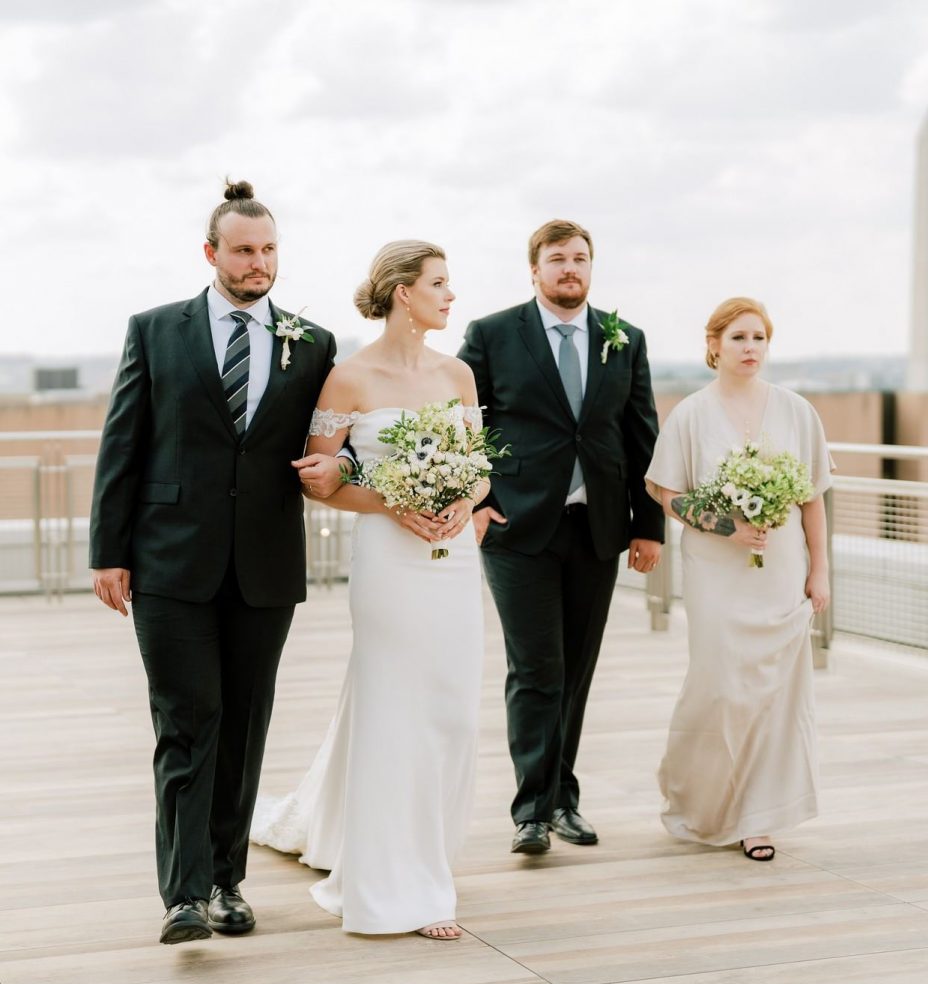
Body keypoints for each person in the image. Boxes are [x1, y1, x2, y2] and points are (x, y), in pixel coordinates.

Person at [89, 181, 340, 944]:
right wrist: (110, 552)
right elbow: (122, 445)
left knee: (244, 725)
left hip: (264, 564)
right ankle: (184, 895)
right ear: (212, 253)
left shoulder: (314, 341)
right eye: (243, 250)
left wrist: (346, 472)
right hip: (169, 562)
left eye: (268, 250)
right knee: (186, 721)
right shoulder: (156, 330)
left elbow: (332, 444)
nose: (258, 263)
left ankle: (230, 881)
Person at [251, 240, 484, 941]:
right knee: (394, 712)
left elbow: (481, 470)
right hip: (389, 563)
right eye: (439, 284)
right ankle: (395, 888)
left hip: (454, 561)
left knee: (452, 714)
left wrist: (464, 503)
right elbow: (320, 479)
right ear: (402, 292)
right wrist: (392, 502)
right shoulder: (348, 379)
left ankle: (429, 859)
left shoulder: (459, 375)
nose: (450, 297)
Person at [458, 219, 664, 855]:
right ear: (535, 269)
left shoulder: (622, 339)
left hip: (596, 527)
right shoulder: (493, 335)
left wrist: (647, 526)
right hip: (517, 525)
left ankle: (562, 800)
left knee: (575, 669)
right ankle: (531, 810)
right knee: (537, 666)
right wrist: (477, 501)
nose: (569, 268)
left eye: (579, 259)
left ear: (590, 268)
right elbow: (461, 422)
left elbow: (640, 436)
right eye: (557, 259)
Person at [644, 296, 833, 862]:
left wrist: (820, 571)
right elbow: (668, 494)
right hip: (716, 573)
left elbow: (813, 500)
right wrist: (726, 527)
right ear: (714, 346)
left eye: (759, 339)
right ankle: (702, 799)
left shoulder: (797, 411)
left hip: (781, 572)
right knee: (722, 687)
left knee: (776, 693)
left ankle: (759, 817)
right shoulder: (691, 415)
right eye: (739, 339)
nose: (751, 348)